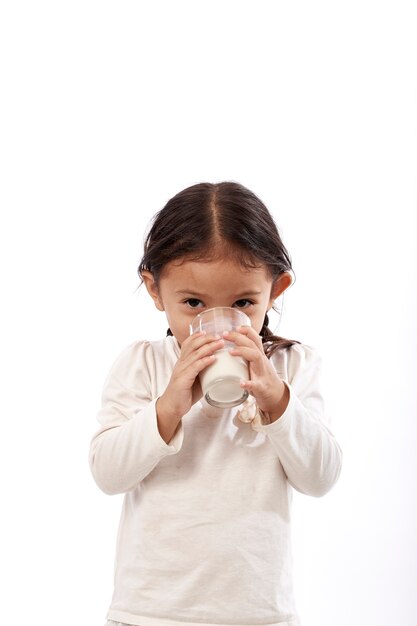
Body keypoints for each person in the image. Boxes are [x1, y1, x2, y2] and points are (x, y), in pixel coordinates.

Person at [89, 181, 343, 626]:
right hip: (150, 612)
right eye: (193, 304)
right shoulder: (143, 364)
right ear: (154, 290)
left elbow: (320, 478)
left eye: (244, 303)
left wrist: (278, 402)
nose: (220, 326)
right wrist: (168, 406)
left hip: (258, 614)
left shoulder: (292, 366)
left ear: (276, 290)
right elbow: (109, 475)